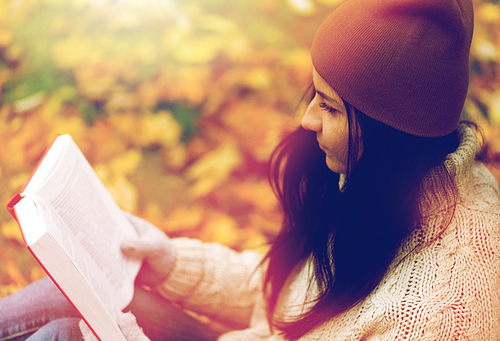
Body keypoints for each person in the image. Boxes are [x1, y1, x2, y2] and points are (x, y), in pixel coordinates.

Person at [1, 0, 500, 339]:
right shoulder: (385, 183)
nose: (306, 120)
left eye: (328, 107)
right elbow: (285, 298)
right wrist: (170, 262)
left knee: (66, 333)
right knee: (65, 293)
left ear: (387, 131)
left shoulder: (442, 314)